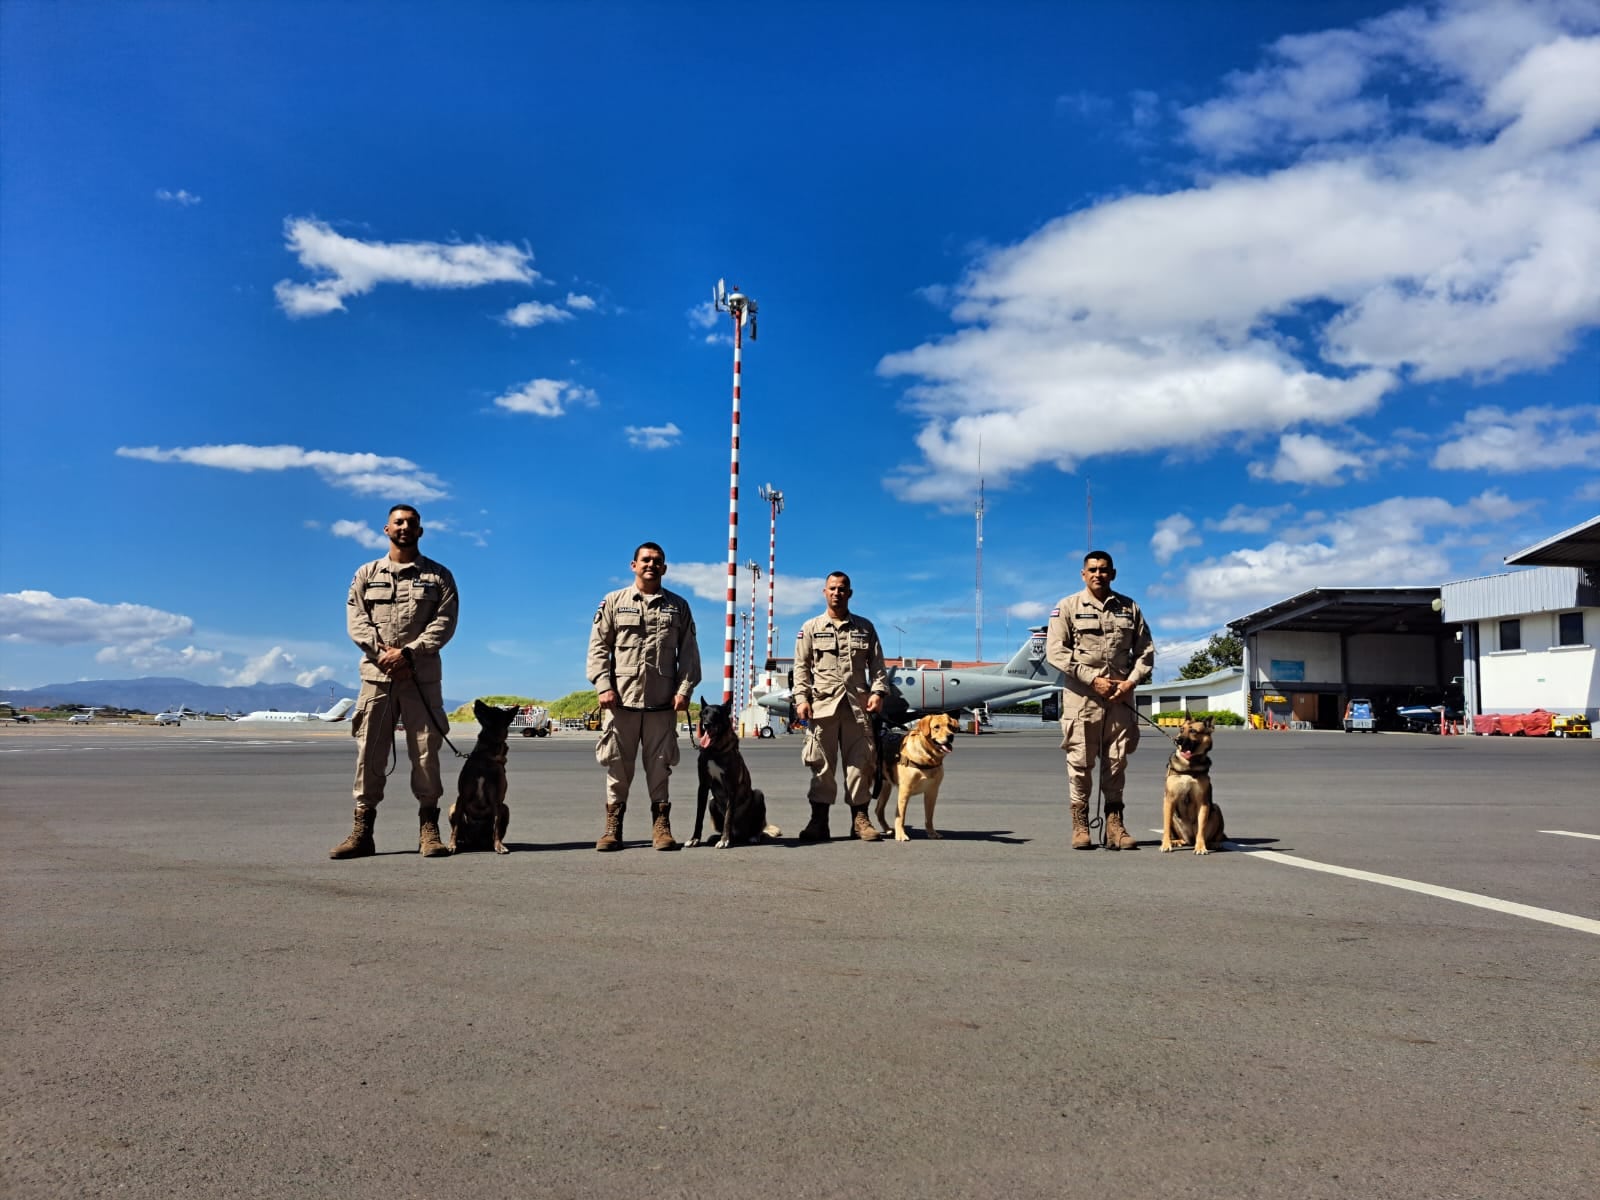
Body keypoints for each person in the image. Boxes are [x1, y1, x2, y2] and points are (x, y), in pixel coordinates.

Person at [329, 504, 460, 860]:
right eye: (398, 522)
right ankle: (362, 830)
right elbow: (356, 620)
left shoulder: (439, 577)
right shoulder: (366, 574)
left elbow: (444, 622)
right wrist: (382, 653)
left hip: (421, 678)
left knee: (425, 752)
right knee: (369, 753)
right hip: (377, 678)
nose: (404, 527)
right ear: (386, 529)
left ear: (420, 531)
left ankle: (429, 829)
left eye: (411, 523)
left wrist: (409, 654)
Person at [586, 542, 701, 851]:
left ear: (664, 568)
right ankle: (613, 827)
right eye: (645, 560)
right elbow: (598, 647)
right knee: (617, 767)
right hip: (620, 702)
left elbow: (689, 655)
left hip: (662, 705)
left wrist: (684, 690)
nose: (651, 564)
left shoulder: (678, 606)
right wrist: (603, 685)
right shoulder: (613, 602)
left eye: (657, 561)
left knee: (660, 766)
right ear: (633, 565)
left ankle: (661, 826)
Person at [1046, 550, 1155, 851]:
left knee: (1116, 762)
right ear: (1083, 574)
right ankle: (1080, 824)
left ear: (1113, 573)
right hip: (1082, 698)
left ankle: (1114, 826)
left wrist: (1131, 682)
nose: (1098, 574)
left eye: (1104, 569)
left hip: (1120, 699)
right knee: (1080, 762)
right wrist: (1092, 679)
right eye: (1092, 569)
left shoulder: (1129, 607)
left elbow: (1145, 652)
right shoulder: (1066, 607)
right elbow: (1055, 651)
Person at [791, 572, 890, 843]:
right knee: (821, 766)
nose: (837, 593)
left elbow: (878, 665)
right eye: (832, 588)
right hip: (823, 706)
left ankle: (860, 819)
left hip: (857, 708)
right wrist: (801, 698)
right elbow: (800, 667)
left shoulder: (865, 627)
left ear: (850, 593)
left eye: (842, 589)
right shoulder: (811, 627)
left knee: (860, 765)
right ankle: (818, 821)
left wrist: (878, 692)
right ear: (825, 592)